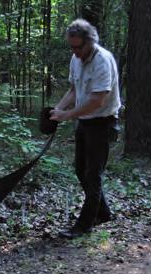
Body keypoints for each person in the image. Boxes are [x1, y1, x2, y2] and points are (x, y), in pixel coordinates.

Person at [50, 18, 121, 239]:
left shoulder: (103, 61)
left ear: (90, 42)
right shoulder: (76, 59)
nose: (75, 51)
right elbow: (74, 90)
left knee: (93, 174)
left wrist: (67, 115)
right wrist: (57, 110)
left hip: (102, 122)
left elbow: (97, 101)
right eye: (72, 46)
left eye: (78, 46)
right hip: (85, 121)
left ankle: (84, 224)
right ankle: (104, 212)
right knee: (81, 169)